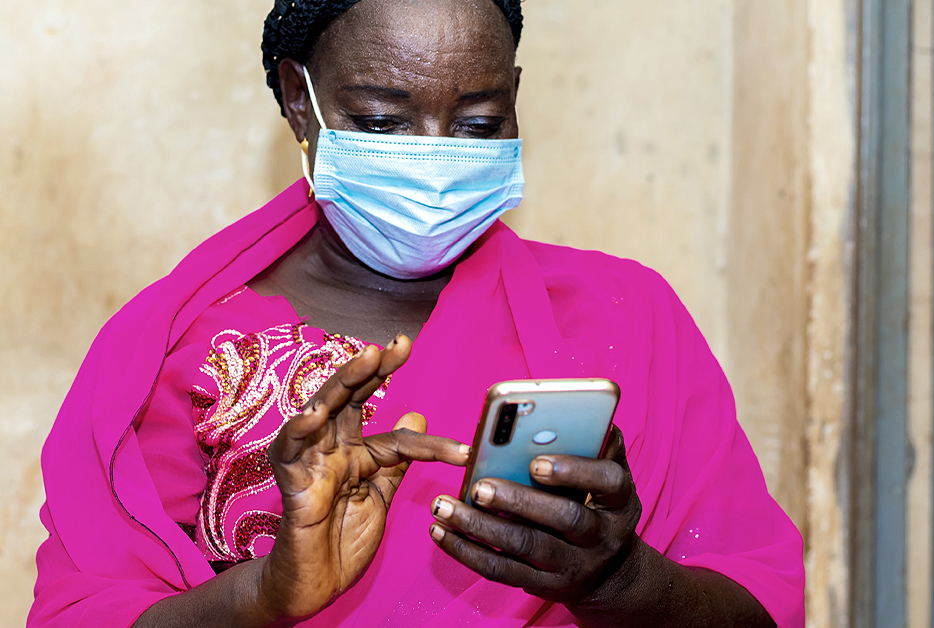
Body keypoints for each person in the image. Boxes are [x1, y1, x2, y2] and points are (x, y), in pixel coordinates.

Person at [28, 1, 805, 626]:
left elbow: (758, 605)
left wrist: (620, 577)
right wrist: (263, 597)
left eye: (475, 125)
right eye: (382, 121)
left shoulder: (624, 319)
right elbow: (86, 611)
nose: (434, 158)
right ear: (301, 101)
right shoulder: (185, 343)